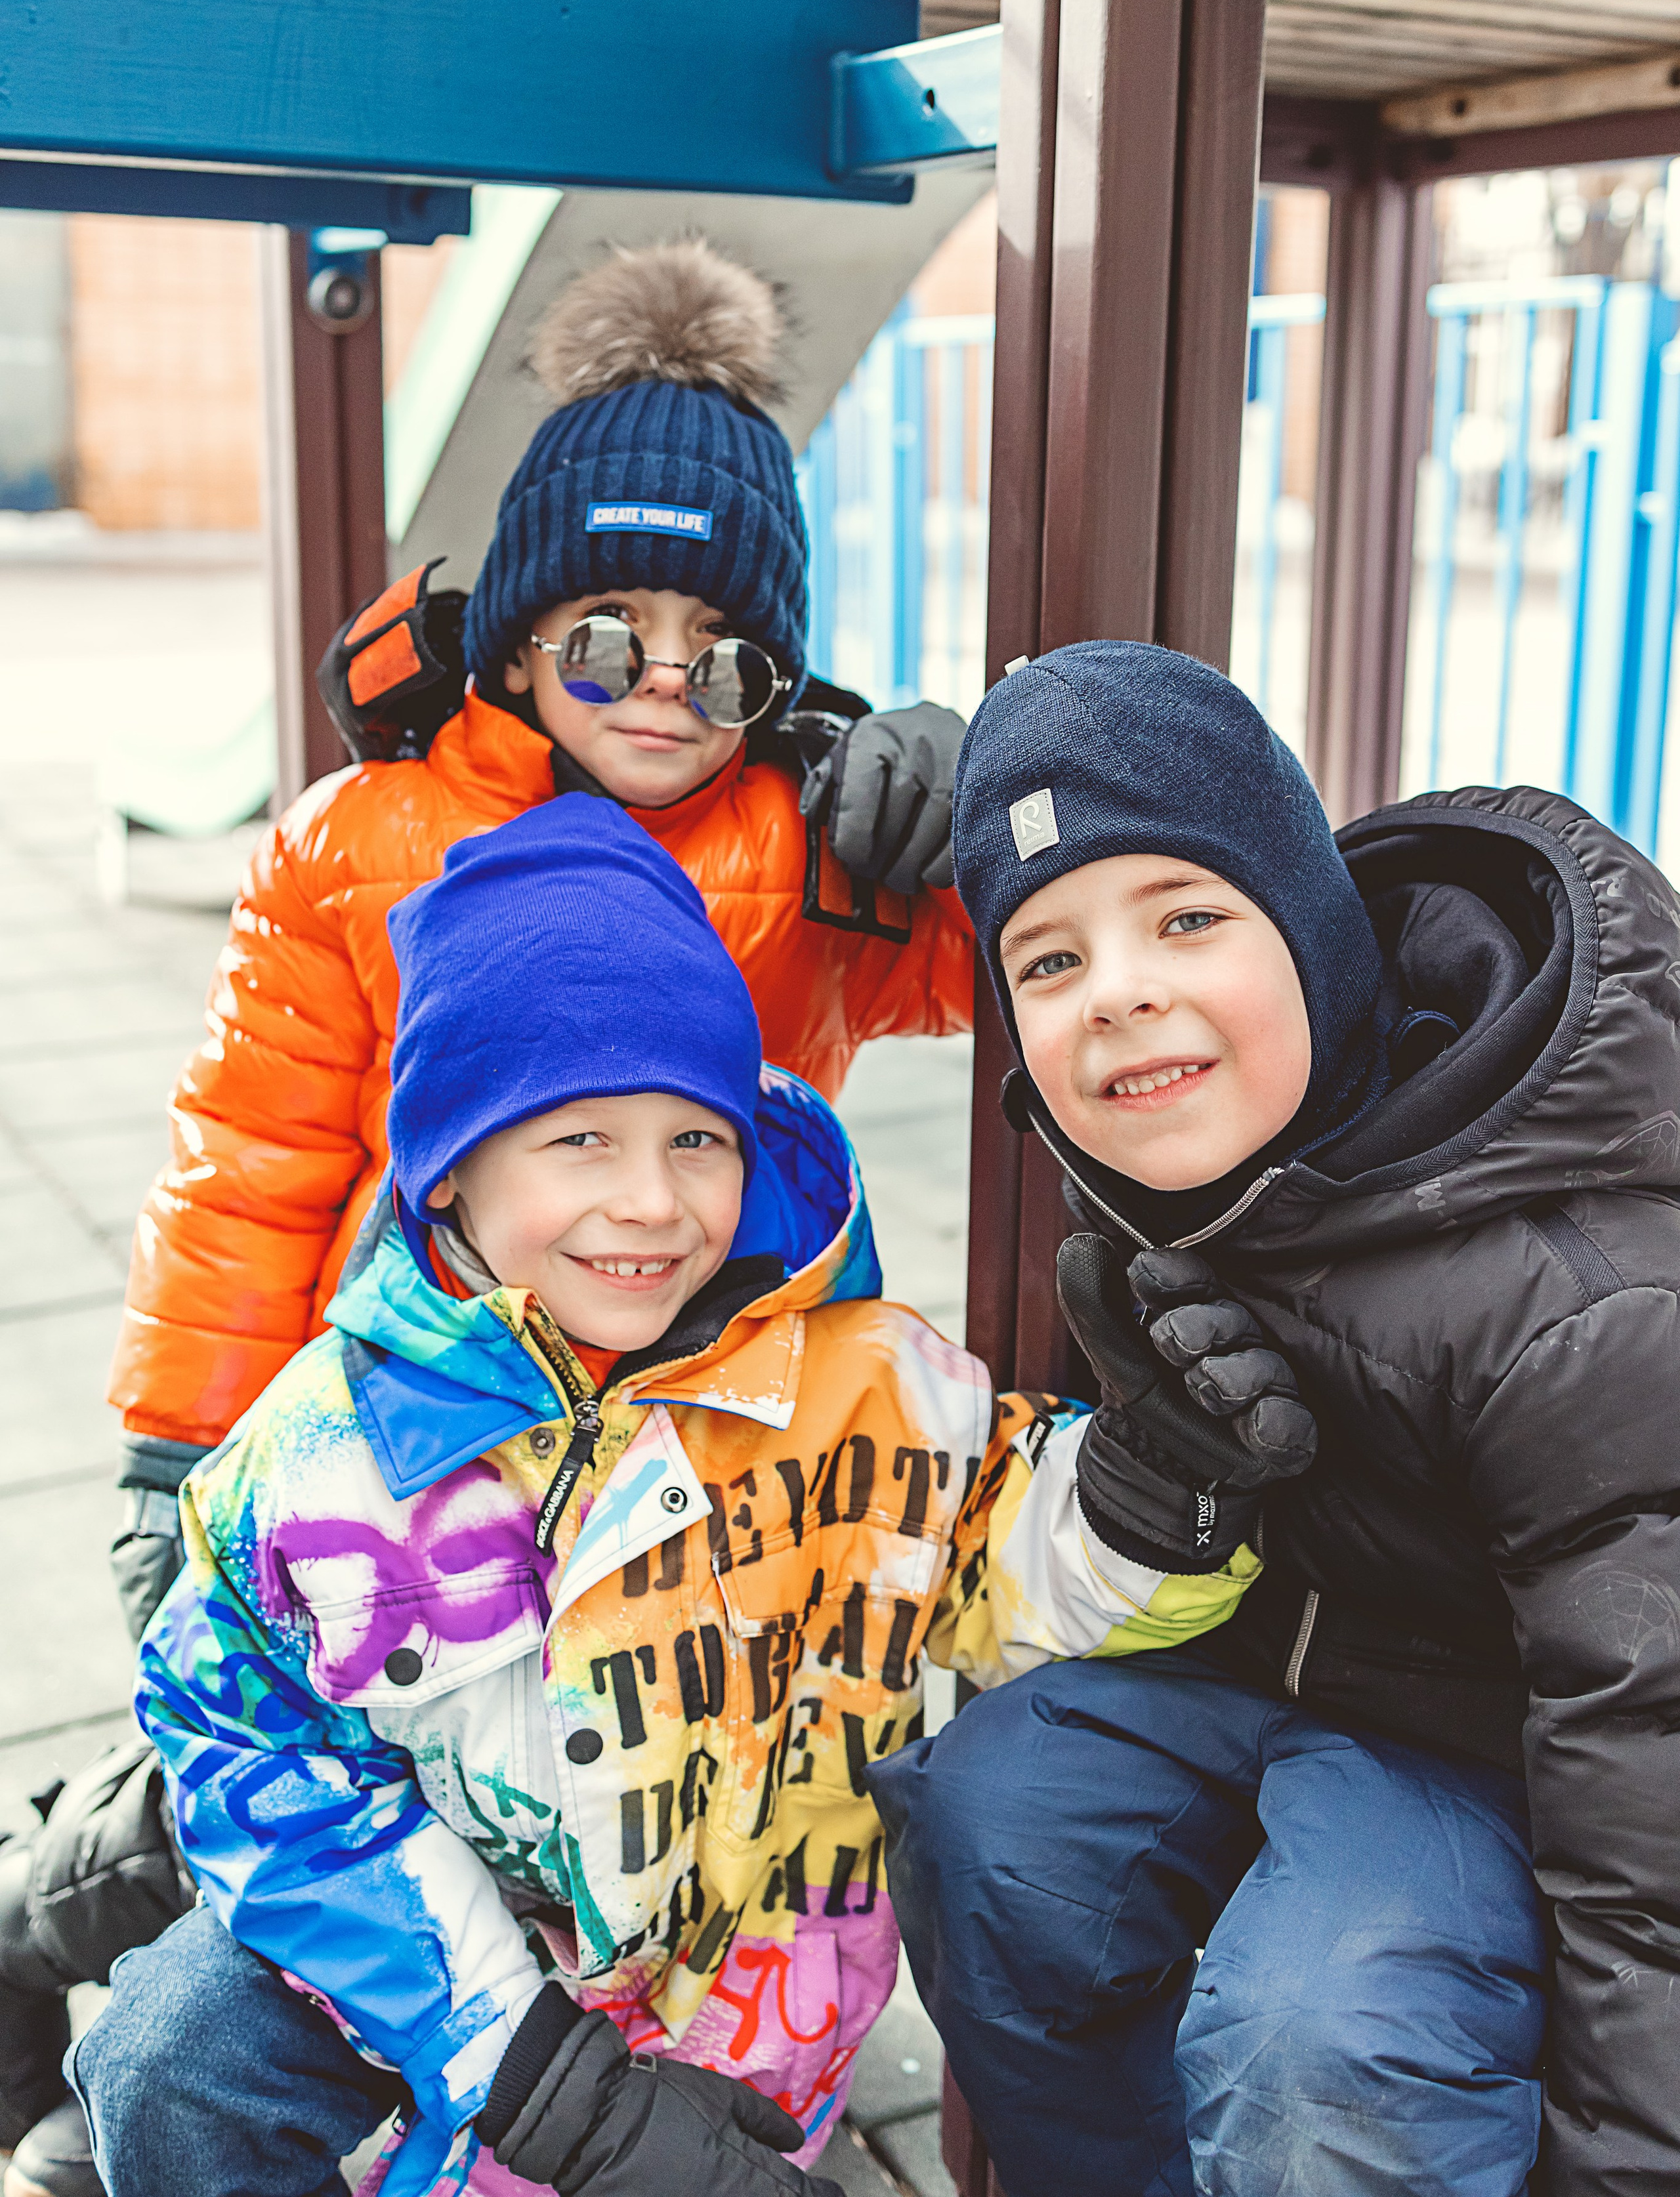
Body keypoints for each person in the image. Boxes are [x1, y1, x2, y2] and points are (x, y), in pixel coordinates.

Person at [0, 240, 975, 2197]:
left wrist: (971, 789)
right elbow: (254, 1157)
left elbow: (1028, 964)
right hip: (388, 1426)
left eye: (726, 651)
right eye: (607, 636)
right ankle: (48, 1982)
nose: (666, 685)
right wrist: (180, 1447)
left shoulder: (806, 850)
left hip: (646, 1448)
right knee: (235, 1797)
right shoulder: (363, 839)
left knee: (491, 1806)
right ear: (519, 641)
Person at [72, 796, 1292, 2197]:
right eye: (579, 1141)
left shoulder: (858, 1386)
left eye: (696, 1139)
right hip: (452, 2001)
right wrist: (529, 2071)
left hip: (733, 2022)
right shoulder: (316, 1462)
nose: (652, 1202)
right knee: (167, 2057)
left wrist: (1159, 1493)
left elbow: (1019, 1563)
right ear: (450, 1171)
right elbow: (251, 1761)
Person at [870, 639, 1680, 2197]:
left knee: (1314, 2034)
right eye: (1048, 960)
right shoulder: (1186, 1159)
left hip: (1510, 1752)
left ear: (1314, 938)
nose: (1119, 991)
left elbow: (1653, 1795)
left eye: (1184, 917)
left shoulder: (1571, 1298)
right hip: (1283, 1670)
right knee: (990, 1819)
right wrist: (1155, 1489)